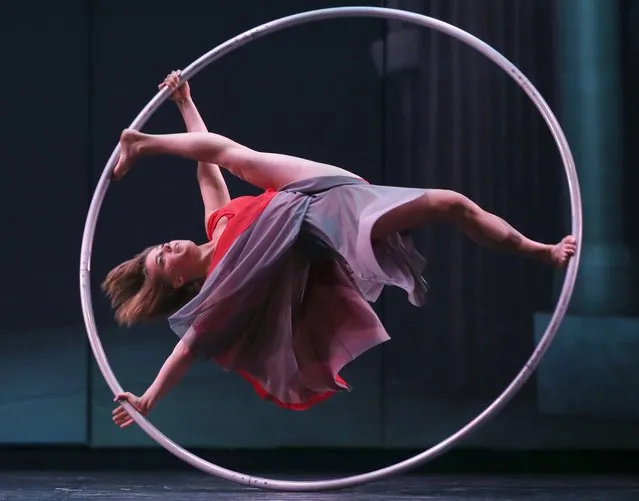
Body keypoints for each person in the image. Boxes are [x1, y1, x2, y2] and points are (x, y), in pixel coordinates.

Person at [109, 71, 576, 429]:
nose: (168, 246)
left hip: (311, 192)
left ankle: (143, 143)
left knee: (232, 158)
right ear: (177, 281)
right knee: (449, 203)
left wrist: (187, 103)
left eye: (160, 246)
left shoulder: (219, 221)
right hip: (322, 222)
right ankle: (543, 252)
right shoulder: (224, 288)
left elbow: (208, 169)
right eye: (163, 258)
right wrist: (147, 400)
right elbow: (187, 348)